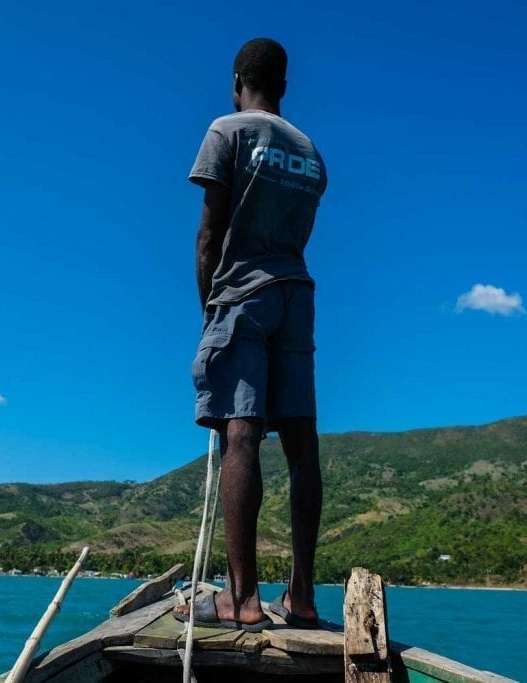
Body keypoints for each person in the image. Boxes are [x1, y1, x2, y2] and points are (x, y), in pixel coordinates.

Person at [173, 37, 327, 632]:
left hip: (243, 295)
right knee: (301, 443)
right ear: (283, 85)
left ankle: (241, 600)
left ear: (239, 80)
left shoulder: (227, 130)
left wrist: (210, 307)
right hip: (298, 296)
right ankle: (304, 599)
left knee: (241, 434)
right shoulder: (311, 153)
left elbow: (209, 233)